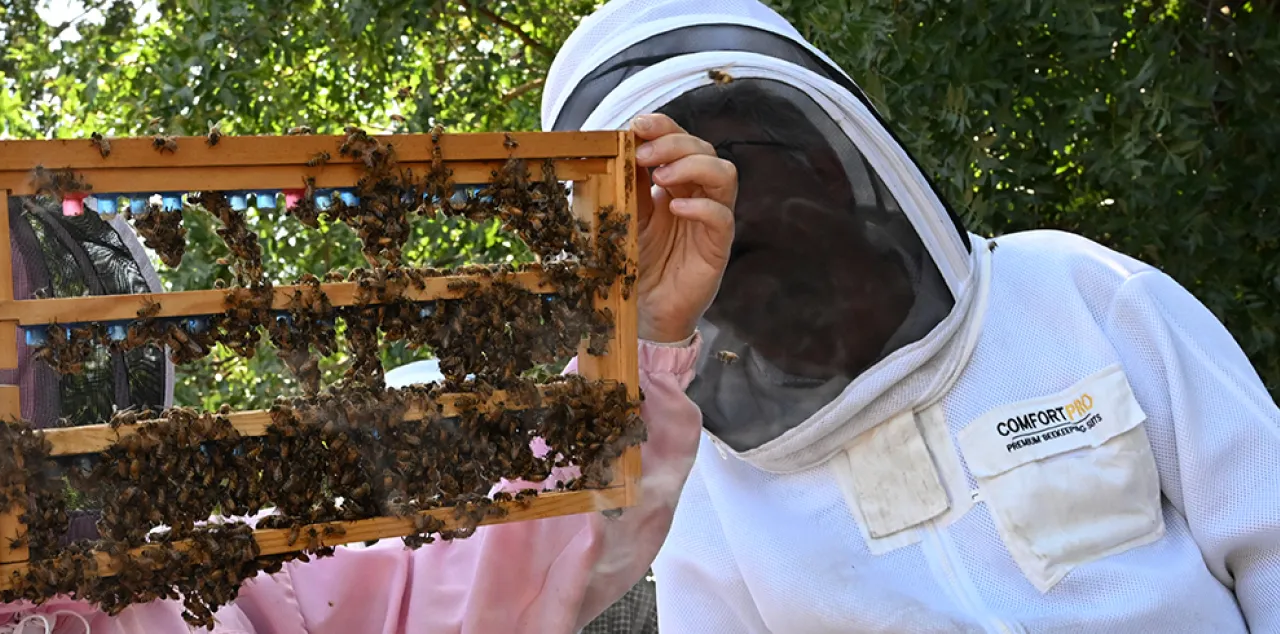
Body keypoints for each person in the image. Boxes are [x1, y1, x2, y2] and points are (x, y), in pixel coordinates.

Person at [0, 113, 740, 630]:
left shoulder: (205, 597)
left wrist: (625, 341)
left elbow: (483, 582)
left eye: (56, 365)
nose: (23, 414)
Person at [531, 0, 1280, 632]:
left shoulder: (1074, 289)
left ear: (820, 150)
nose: (712, 208)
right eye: (648, 198)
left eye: (726, 160)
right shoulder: (702, 478)